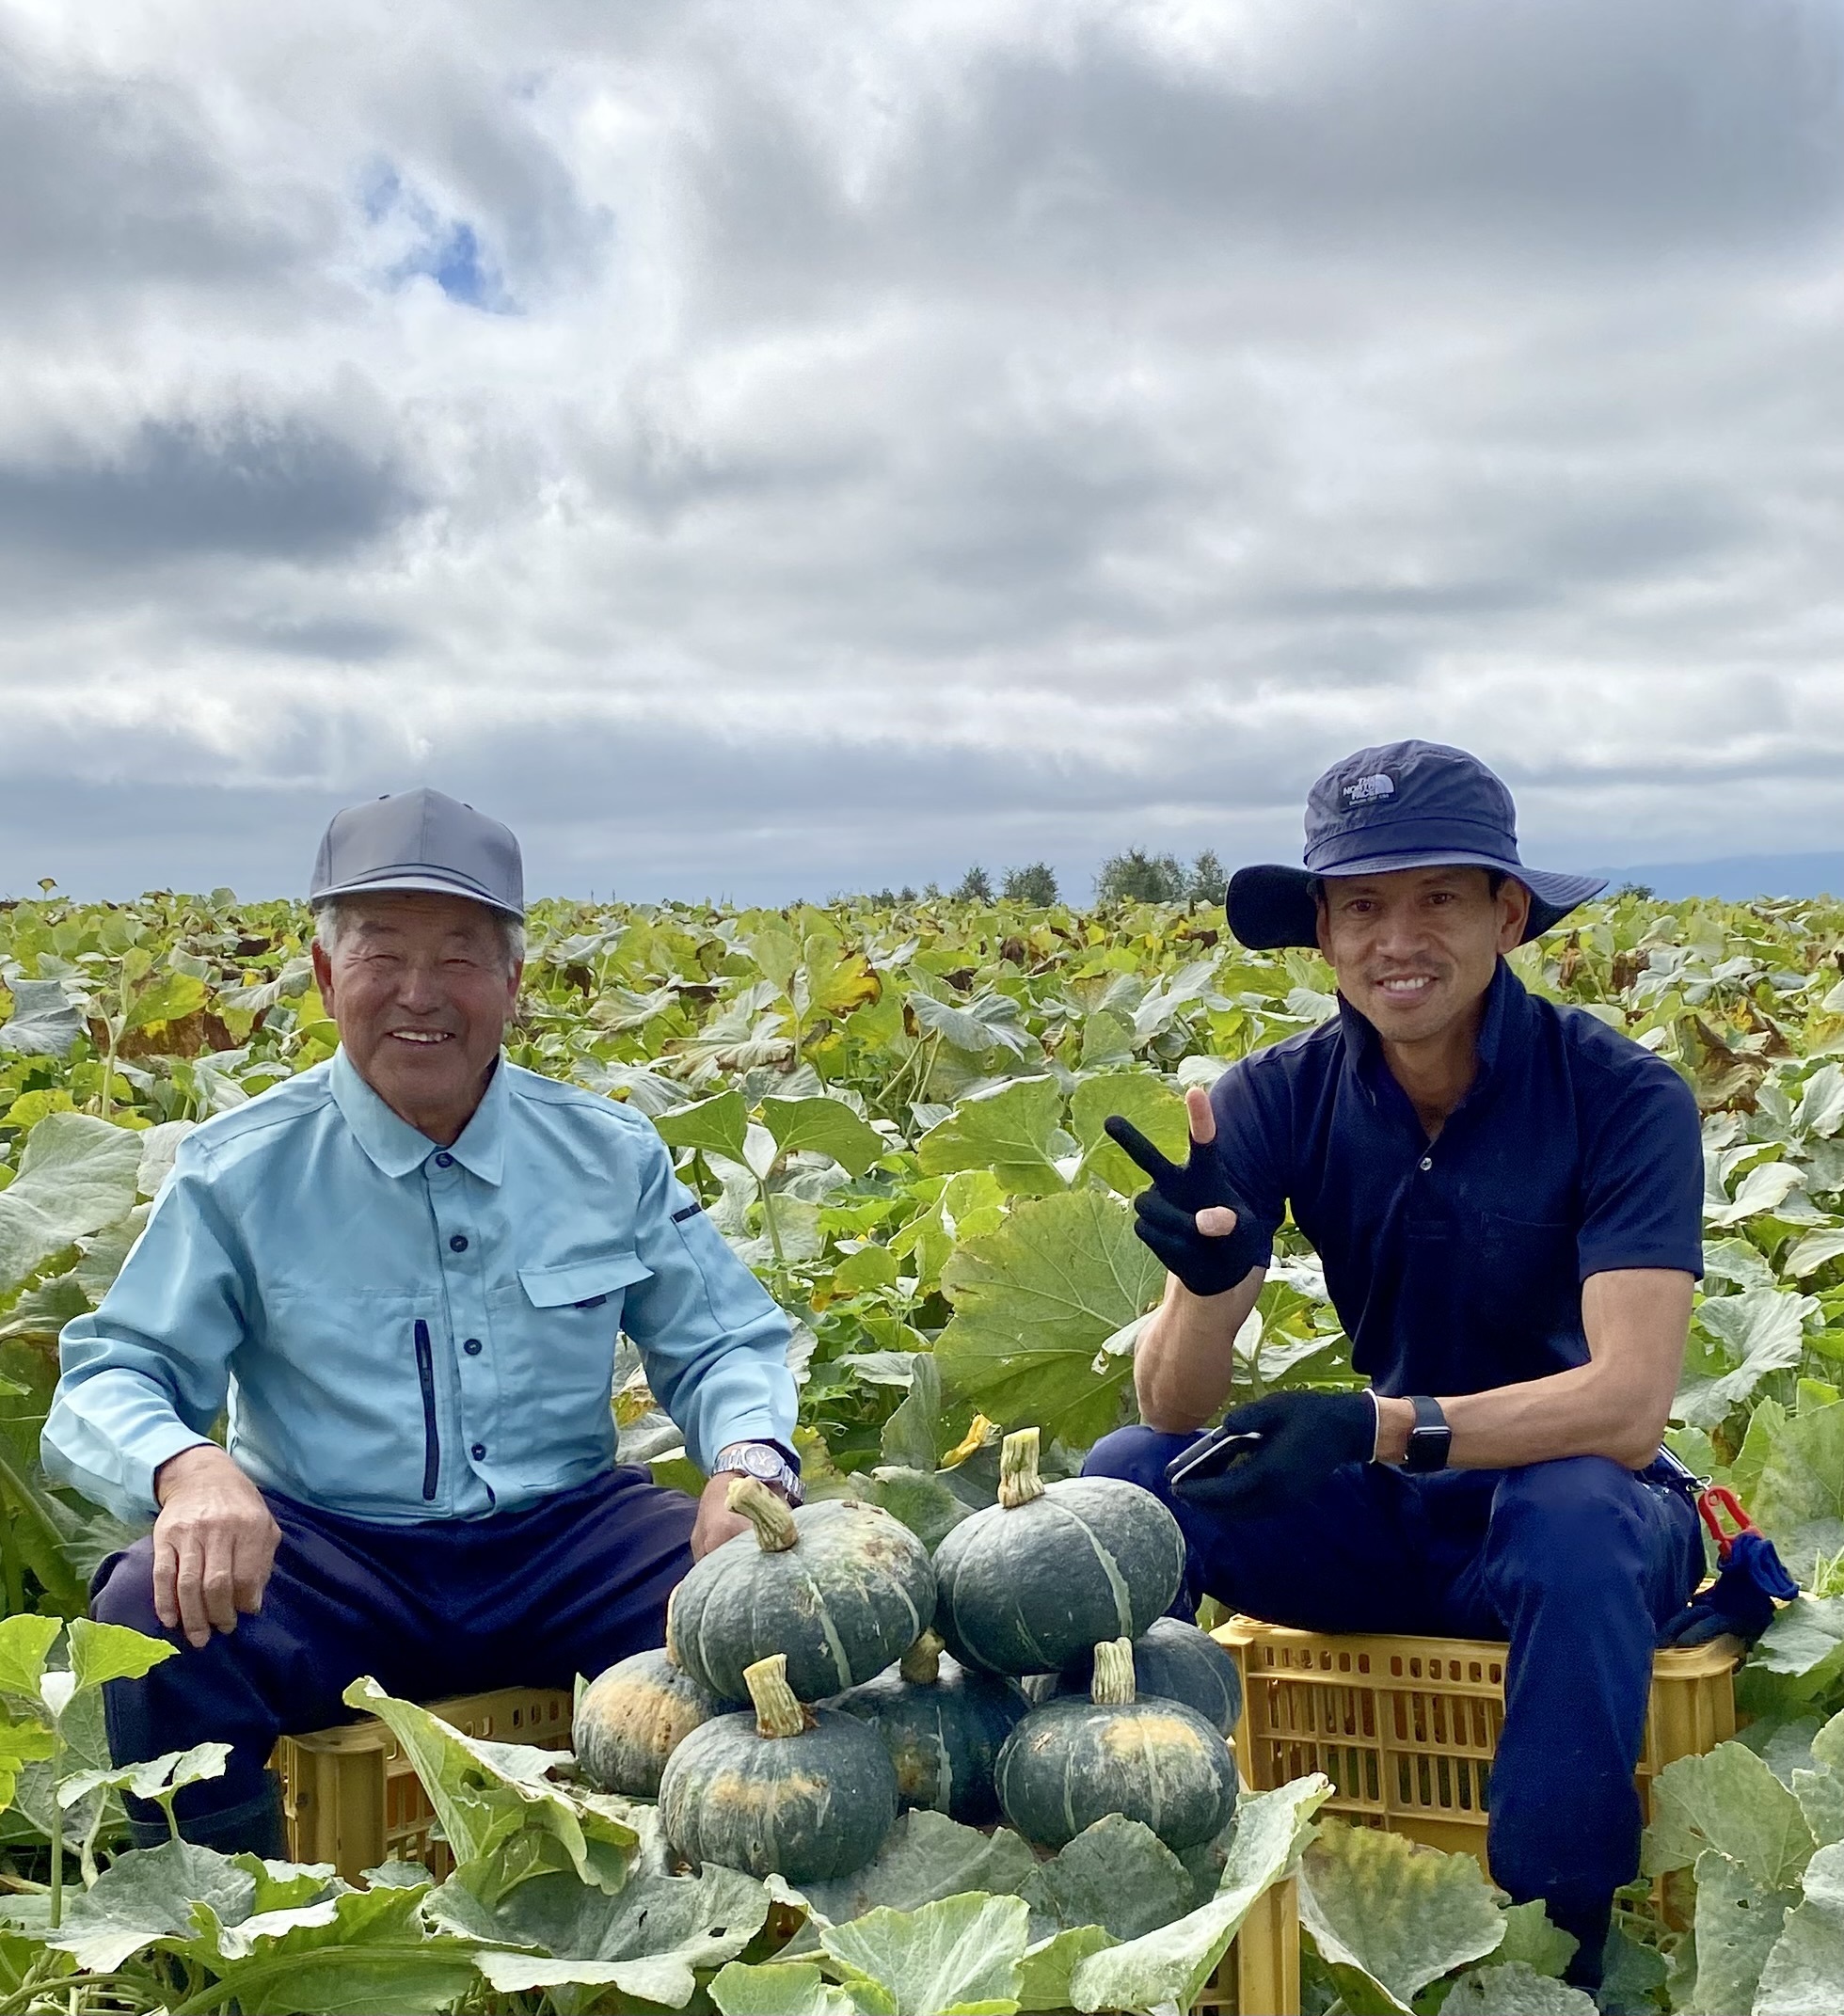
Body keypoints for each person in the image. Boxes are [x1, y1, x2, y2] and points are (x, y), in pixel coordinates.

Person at [45, 788, 801, 1855]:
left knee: (789, 1591)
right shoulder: (236, 1169)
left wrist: (749, 1456)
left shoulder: (607, 1153)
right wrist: (189, 1469)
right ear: (323, 977)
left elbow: (723, 1339)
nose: (419, 993)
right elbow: (110, 1372)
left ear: (511, 981)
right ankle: (226, 1914)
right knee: (153, 1612)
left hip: (562, 1541)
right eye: (380, 953)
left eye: (457, 956)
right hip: (331, 1552)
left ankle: (737, 1879)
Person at [1089, 740, 1705, 1992]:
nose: (1396, 936)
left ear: (1508, 913)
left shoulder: (1624, 1097)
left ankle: (1549, 1958)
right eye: (1363, 903)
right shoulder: (1272, 1095)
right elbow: (1172, 1403)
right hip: (1403, 1522)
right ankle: (1146, 1897)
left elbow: (1629, 1407)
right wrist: (1207, 1290)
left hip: (1583, 1517)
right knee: (1129, 1485)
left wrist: (1379, 1426)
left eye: (1437, 896)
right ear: (1321, 928)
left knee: (1574, 1510)